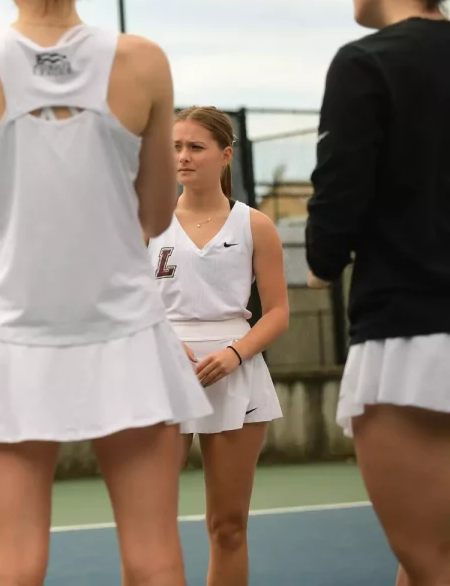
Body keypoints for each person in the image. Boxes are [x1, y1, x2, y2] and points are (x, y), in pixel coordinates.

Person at [0, 0, 212, 586]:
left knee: (15, 562)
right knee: (154, 557)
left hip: (14, 329)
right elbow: (153, 215)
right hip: (126, 329)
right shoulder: (144, 61)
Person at [306, 0, 450, 586]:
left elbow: (338, 198)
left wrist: (321, 262)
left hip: (414, 342)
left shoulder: (367, 63)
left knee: (431, 561)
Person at [148, 106, 289, 586]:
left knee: (227, 527)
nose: (183, 157)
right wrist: (166, 342)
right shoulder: (146, 221)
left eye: (195, 147)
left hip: (235, 375)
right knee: (150, 525)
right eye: (175, 147)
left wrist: (234, 354)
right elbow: (126, 303)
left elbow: (277, 312)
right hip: (162, 373)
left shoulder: (256, 225)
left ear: (225, 156)